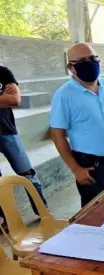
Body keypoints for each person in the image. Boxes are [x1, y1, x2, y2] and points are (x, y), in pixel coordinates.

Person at [50, 43, 104, 207]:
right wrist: (75, 169)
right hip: (91, 167)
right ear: (71, 67)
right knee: (95, 214)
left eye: (93, 58)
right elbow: (57, 134)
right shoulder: (64, 94)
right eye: (83, 60)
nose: (90, 63)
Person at [0, 66, 48, 221]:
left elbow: (15, 100)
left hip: (7, 131)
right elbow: (7, 99)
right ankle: (8, 220)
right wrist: (3, 98)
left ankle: (43, 212)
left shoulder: (3, 72)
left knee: (28, 175)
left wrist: (8, 99)